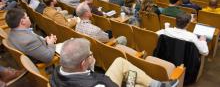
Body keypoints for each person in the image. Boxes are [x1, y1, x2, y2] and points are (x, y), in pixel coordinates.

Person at [50, 38, 179, 87]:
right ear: (83, 63)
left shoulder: (56, 72)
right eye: (90, 54)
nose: (92, 55)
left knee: (120, 62)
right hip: (104, 83)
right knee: (138, 85)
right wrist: (131, 84)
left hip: (97, 79)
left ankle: (156, 84)